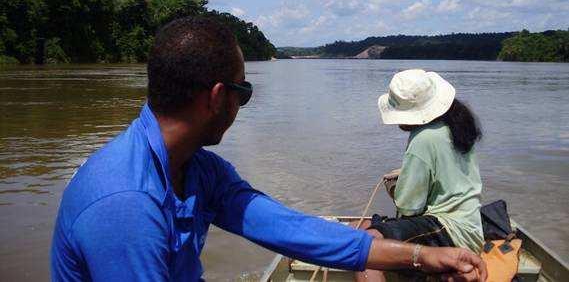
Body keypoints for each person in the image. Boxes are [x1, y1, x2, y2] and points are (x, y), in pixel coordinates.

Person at [51, 18, 486, 282]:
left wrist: (421, 254)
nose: (243, 104)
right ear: (219, 97)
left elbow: (290, 230)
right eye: (247, 92)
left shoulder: (200, 171)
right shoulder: (126, 202)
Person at [355, 69, 484, 282]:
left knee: (364, 245)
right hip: (471, 229)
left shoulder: (422, 139)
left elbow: (409, 207)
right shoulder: (455, 128)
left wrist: (396, 187)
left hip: (449, 230)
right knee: (369, 230)